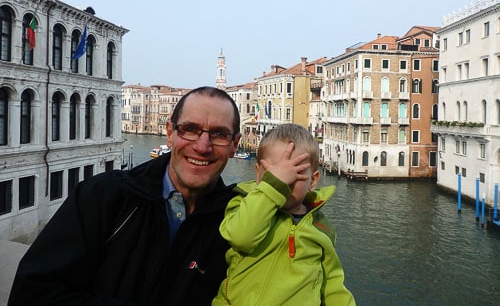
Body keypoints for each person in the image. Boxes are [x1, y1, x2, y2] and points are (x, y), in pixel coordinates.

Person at [9, 86, 244, 305]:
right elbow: (31, 292)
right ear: (170, 133)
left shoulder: (241, 226)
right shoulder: (103, 196)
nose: (203, 146)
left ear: (235, 145)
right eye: (190, 129)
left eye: (219, 134)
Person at [212, 123, 356, 306]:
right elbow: (241, 237)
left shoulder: (320, 227)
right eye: (274, 173)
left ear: (313, 181)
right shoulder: (243, 204)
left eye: (294, 173)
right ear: (259, 175)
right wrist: (272, 187)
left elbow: (333, 284)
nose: (284, 181)